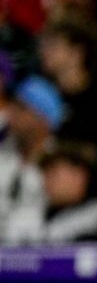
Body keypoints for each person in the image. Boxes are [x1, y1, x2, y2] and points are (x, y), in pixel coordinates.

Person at [37, 16, 97, 148]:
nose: (43, 52)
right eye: (43, 45)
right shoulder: (39, 94)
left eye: (53, 46)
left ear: (77, 53)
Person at [0, 76, 64, 245]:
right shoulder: (3, 156)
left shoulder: (62, 164)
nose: (12, 112)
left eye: (22, 108)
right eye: (12, 105)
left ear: (43, 118)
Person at [7, 142, 97, 243]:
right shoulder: (33, 210)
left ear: (79, 175)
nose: (46, 178)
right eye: (45, 171)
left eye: (54, 171)